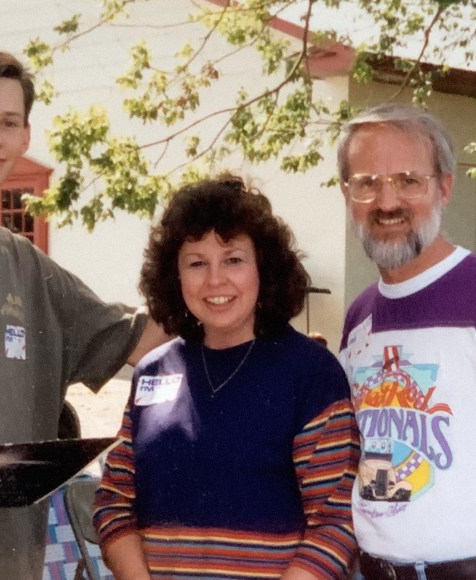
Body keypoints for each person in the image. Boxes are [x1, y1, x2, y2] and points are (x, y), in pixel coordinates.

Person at [0, 50, 166, 580]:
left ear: (25, 137)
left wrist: (247, 313)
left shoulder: (30, 270)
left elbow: (149, 343)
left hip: (12, 563)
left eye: (9, 123)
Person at [93, 175, 360, 579]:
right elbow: (114, 500)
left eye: (233, 259)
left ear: (263, 268)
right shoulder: (153, 371)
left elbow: (337, 521)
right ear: (175, 275)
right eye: (196, 263)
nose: (215, 280)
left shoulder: (311, 373)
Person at [338, 104, 476, 579]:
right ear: (346, 193)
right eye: (367, 183)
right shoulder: (359, 316)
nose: (387, 201)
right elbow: (384, 453)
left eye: (407, 180)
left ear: (444, 187)